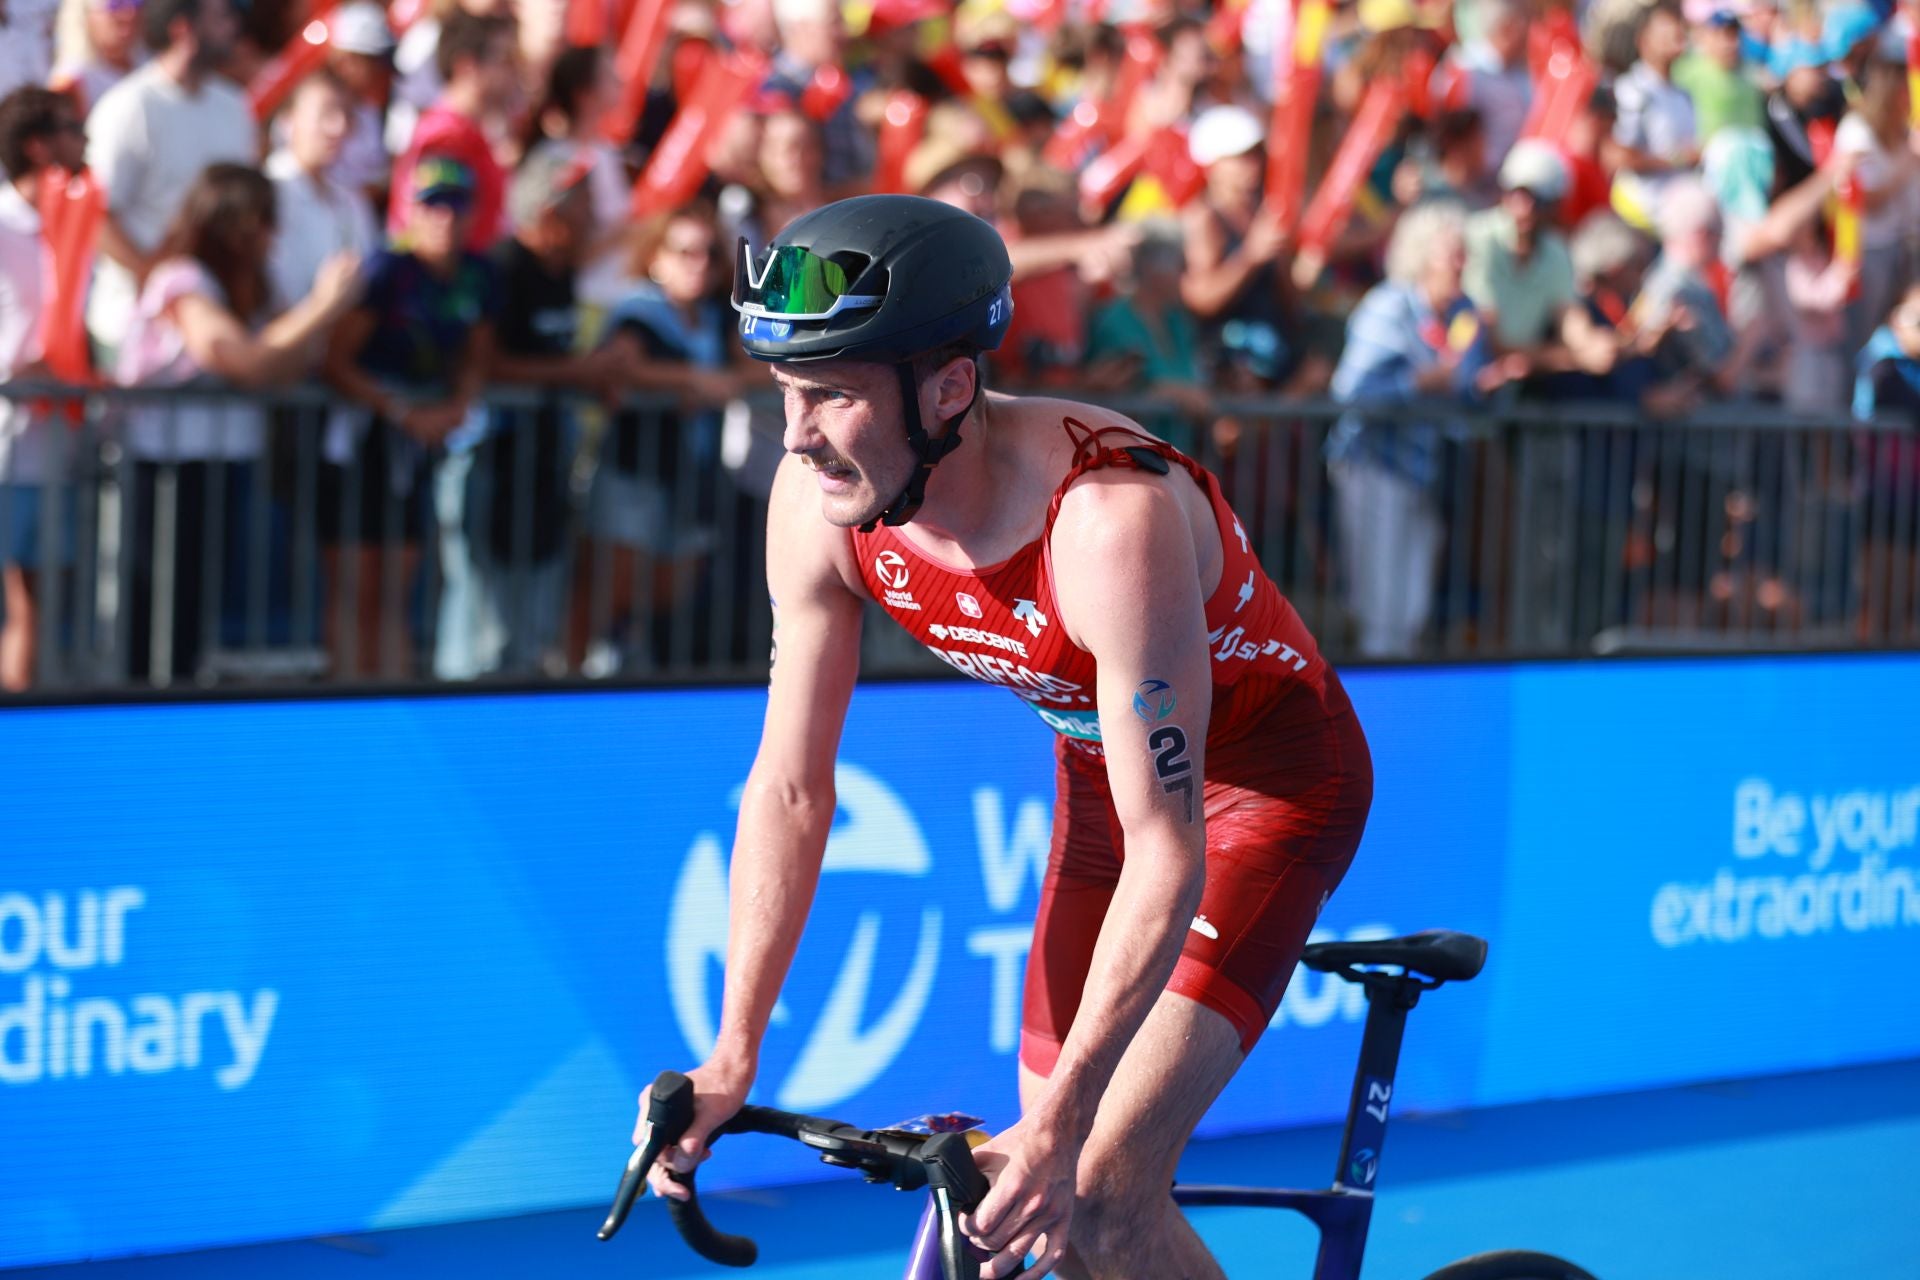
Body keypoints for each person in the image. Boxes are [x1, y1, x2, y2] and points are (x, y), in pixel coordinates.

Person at [633, 195, 1372, 1280]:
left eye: (831, 394)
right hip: (1100, 782)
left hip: (1265, 789)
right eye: (787, 392)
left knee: (1100, 1193)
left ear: (947, 388)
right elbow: (790, 787)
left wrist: (1070, 1122)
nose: (795, 434)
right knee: (1038, 1208)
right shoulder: (814, 500)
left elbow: (1171, 850)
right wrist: (732, 1048)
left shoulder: (1107, 519)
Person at [113, 163, 362, 681]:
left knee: (196, 611)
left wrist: (316, 322)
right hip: (169, 468)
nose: (273, 237)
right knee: (160, 612)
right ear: (232, 225)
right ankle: (145, 720)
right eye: (264, 222)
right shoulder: (181, 279)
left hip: (223, 462)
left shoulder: (249, 288)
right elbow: (238, 358)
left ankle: (180, 708)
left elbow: (280, 367)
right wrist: (321, 306)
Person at [323, 154, 497, 678]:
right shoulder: (387, 271)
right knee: (357, 584)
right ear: (411, 212)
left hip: (419, 443)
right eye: (431, 206)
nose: (443, 217)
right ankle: (346, 704)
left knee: (397, 587)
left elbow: (477, 355)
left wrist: (455, 406)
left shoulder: (477, 274)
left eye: (454, 206)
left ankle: (390, 703)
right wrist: (402, 412)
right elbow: (337, 361)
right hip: (360, 441)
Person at [1328, 200, 1505, 658]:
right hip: (1374, 467)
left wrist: (1487, 387)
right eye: (1453, 253)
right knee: (1383, 610)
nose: (1463, 264)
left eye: (1465, 253)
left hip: (1428, 473)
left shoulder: (1464, 312)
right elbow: (1352, 392)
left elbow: (1466, 391)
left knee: (1412, 609)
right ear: (1422, 255)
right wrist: (1418, 384)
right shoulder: (1389, 306)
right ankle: (1374, 719)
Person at [84, 0, 257, 361]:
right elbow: (95, 216)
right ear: (182, 28)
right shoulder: (130, 106)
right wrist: (159, 285)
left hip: (215, 329)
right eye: (220, 16)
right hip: (130, 331)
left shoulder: (235, 107)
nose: (233, 26)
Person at [0, 87, 86, 692]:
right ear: (37, 145)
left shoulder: (74, 223)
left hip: (51, 448)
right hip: (5, 448)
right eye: (71, 130)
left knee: (35, 607)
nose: (84, 142)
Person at [386, 8, 518, 253]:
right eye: (505, 60)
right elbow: (436, 242)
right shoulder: (447, 139)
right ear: (467, 67)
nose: (513, 72)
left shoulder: (467, 134)